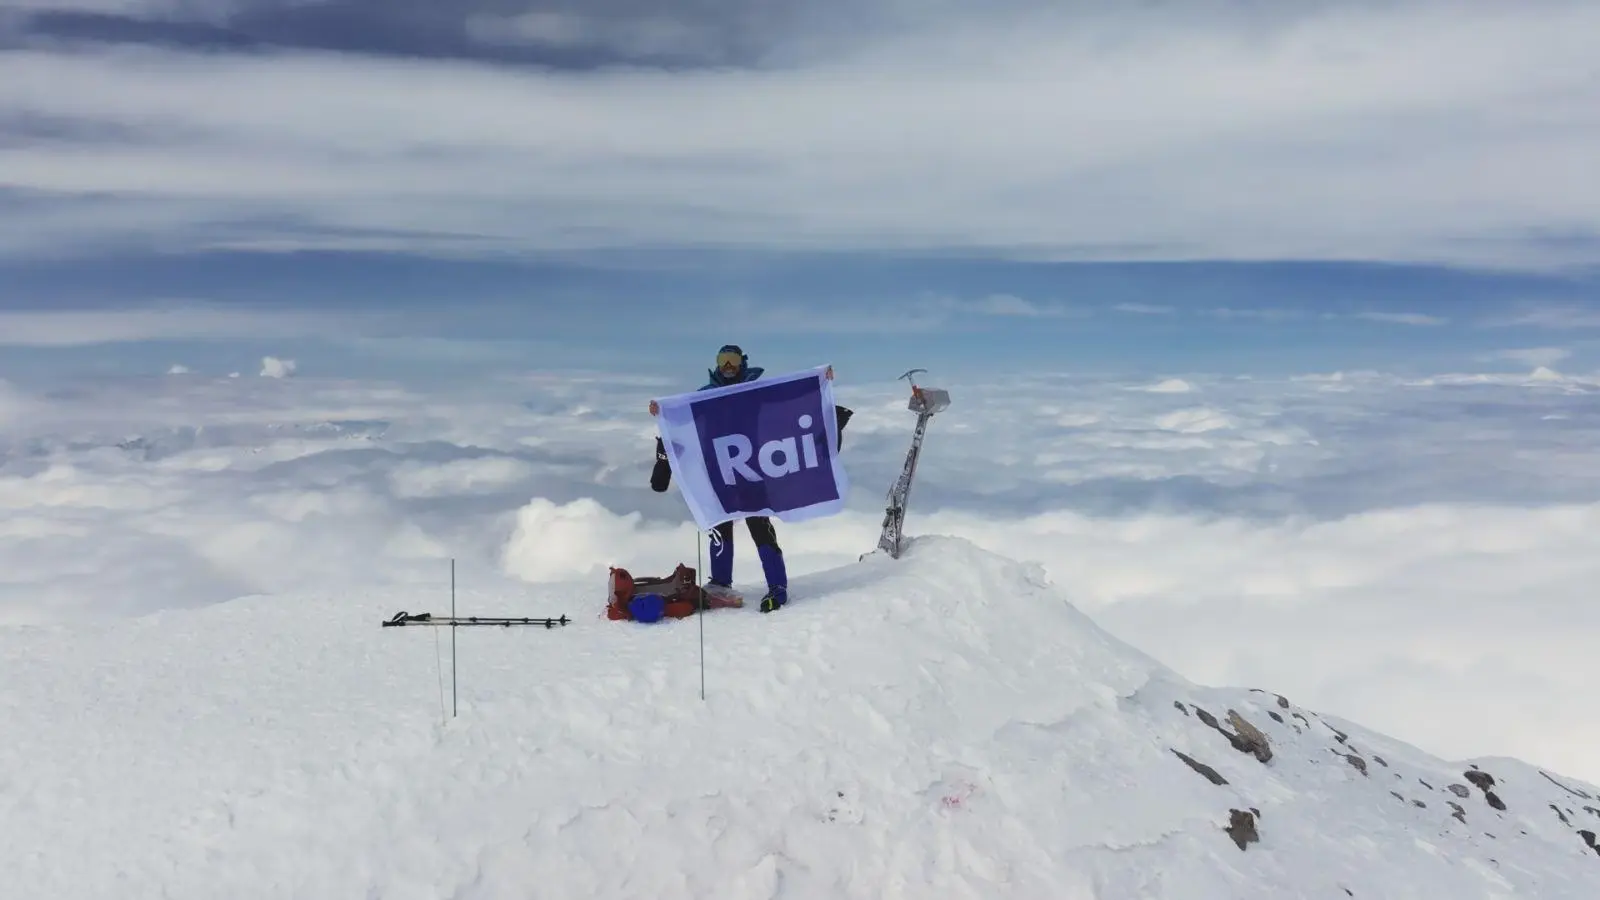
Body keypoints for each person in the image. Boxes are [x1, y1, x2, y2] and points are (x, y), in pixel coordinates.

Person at [648, 345, 852, 613]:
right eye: (723, 360)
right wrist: (661, 412)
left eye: (733, 360)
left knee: (760, 525)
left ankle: (777, 586)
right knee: (719, 526)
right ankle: (721, 582)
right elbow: (680, 421)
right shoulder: (704, 397)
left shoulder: (756, 392)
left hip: (753, 470)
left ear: (742, 362)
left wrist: (819, 384)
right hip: (718, 471)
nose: (728, 365)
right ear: (717, 364)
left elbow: (787, 403)